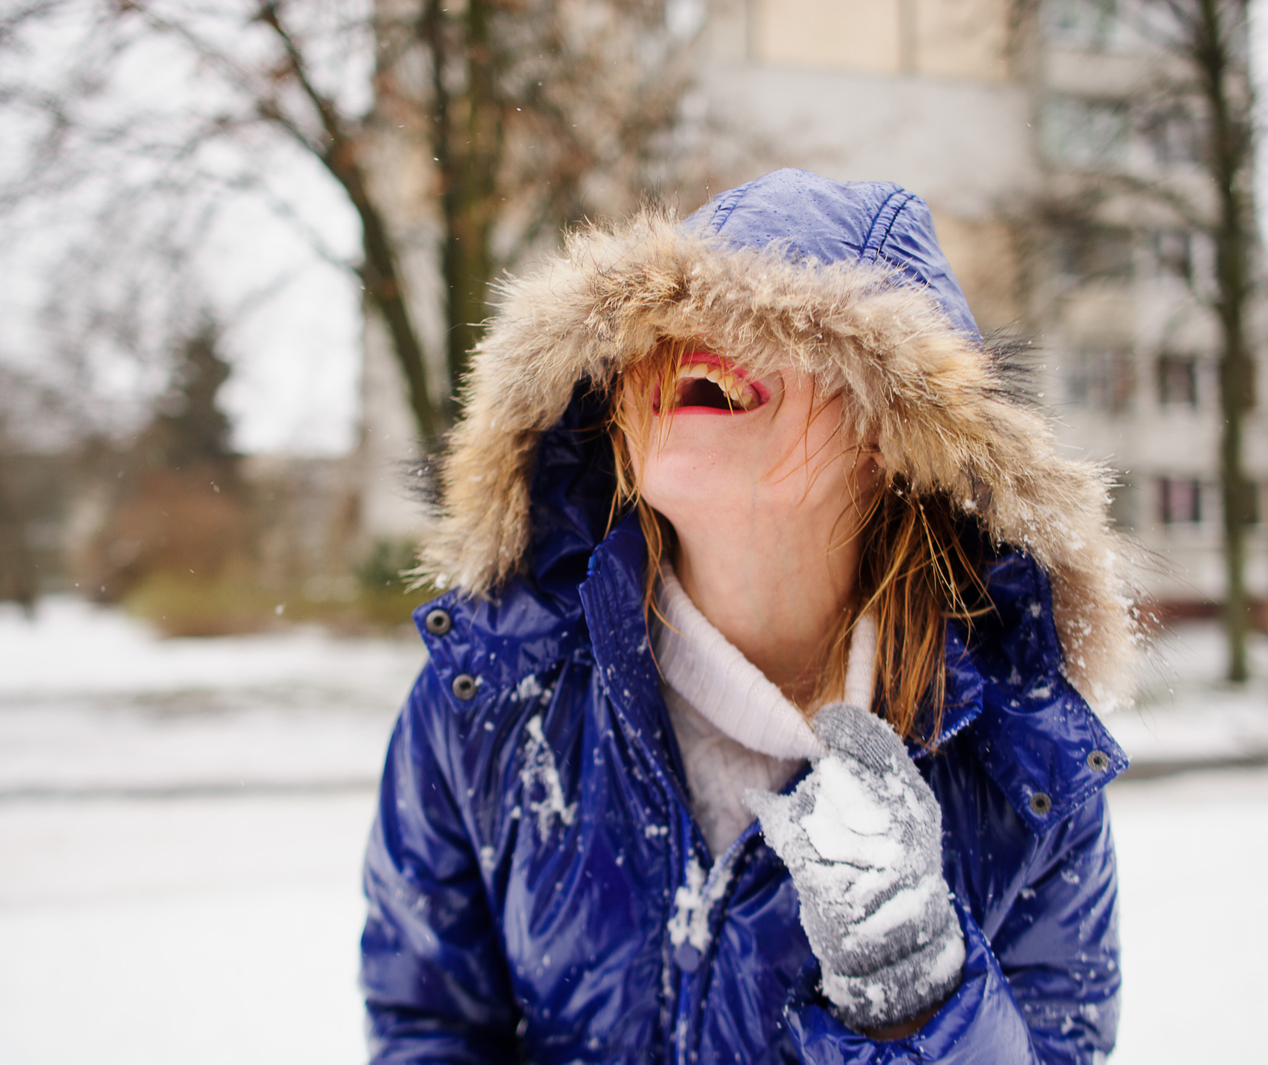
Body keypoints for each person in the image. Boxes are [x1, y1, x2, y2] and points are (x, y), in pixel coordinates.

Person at [360, 168, 1135, 1062]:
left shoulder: (1024, 774)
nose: (695, 339)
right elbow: (427, 1026)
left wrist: (920, 1006)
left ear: (896, 428)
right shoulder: (485, 696)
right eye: (664, 317)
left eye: (775, 319)